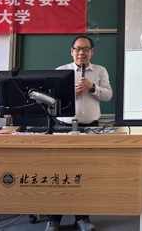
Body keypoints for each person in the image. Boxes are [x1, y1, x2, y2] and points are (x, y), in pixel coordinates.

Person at [45, 35, 113, 231]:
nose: (81, 52)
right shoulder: (61, 71)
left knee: (84, 172)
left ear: (92, 51)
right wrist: (71, 93)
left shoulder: (100, 70)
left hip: (90, 127)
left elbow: (108, 95)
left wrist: (92, 87)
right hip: (63, 127)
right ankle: (53, 219)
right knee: (57, 172)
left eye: (85, 49)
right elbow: (51, 100)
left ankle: (82, 218)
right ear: (71, 52)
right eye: (77, 49)